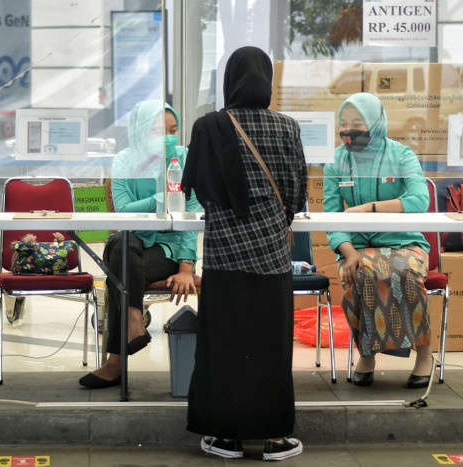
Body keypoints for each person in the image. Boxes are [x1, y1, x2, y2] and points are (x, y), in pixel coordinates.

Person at [182, 46, 307, 461]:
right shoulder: (288, 128)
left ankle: (225, 437)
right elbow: (295, 192)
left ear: (229, 79)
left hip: (224, 256)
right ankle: (274, 437)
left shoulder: (208, 126)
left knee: (224, 345)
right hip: (271, 256)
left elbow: (197, 189)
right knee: (271, 346)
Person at [78, 100, 200, 389]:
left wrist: (186, 266)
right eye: (159, 130)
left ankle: (116, 362)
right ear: (141, 130)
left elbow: (191, 214)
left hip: (167, 250)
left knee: (117, 275)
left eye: (174, 129)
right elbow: (123, 212)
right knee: (123, 241)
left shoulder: (185, 158)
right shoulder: (125, 160)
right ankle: (134, 318)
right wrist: (165, 198)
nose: (170, 136)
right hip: (131, 241)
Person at [323, 92, 433, 389]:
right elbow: (331, 217)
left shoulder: (401, 155)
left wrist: (368, 208)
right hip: (356, 246)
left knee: (406, 272)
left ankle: (424, 354)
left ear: (374, 122)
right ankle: (367, 354)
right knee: (359, 273)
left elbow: (419, 200)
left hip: (403, 241)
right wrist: (347, 252)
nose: (348, 130)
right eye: (343, 123)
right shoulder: (336, 161)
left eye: (357, 122)